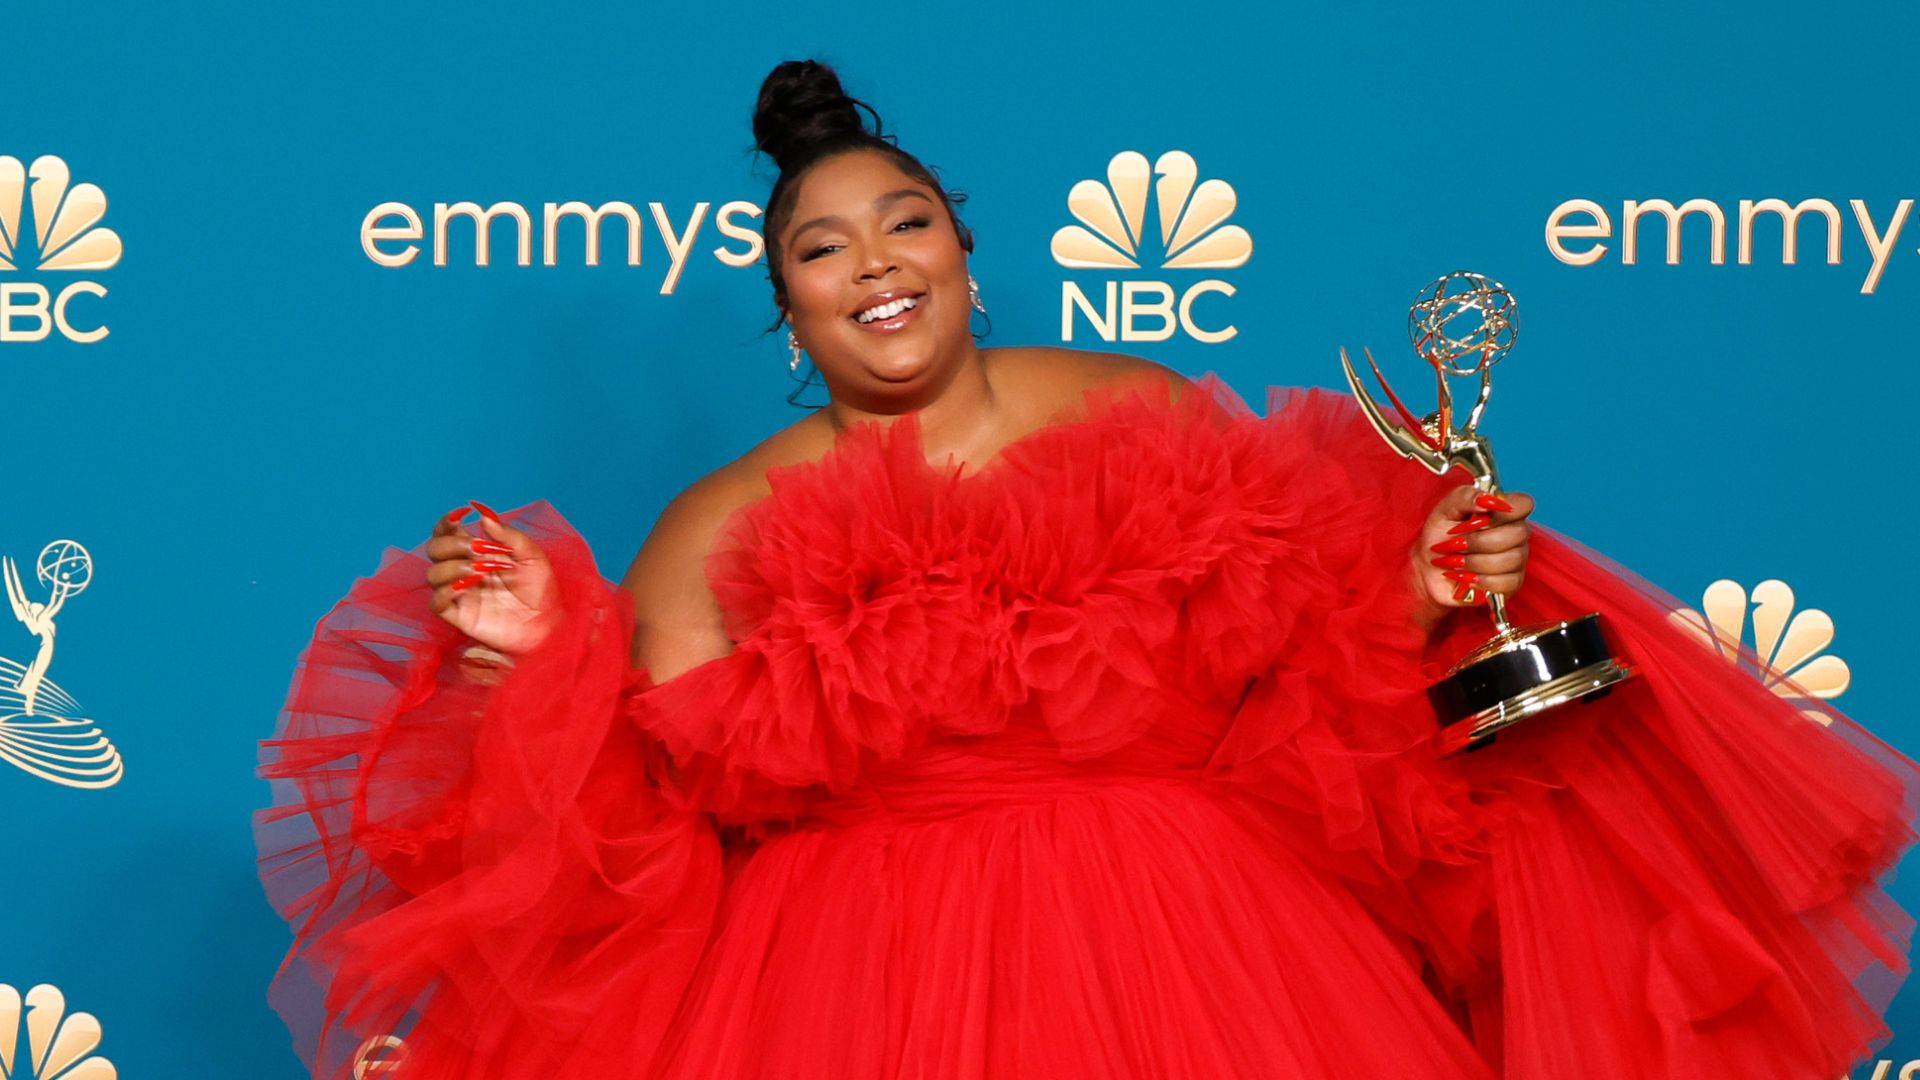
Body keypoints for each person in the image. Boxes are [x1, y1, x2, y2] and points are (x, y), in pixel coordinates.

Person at [255, 60, 1920, 1080]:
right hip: (852, 983)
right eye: (820, 251)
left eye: (902, 221)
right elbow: (647, 832)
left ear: (964, 243)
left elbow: (1296, 664)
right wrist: (538, 654)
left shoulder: (1137, 406)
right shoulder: (713, 525)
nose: (873, 265)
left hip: (1200, 932)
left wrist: (1421, 583)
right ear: (787, 307)